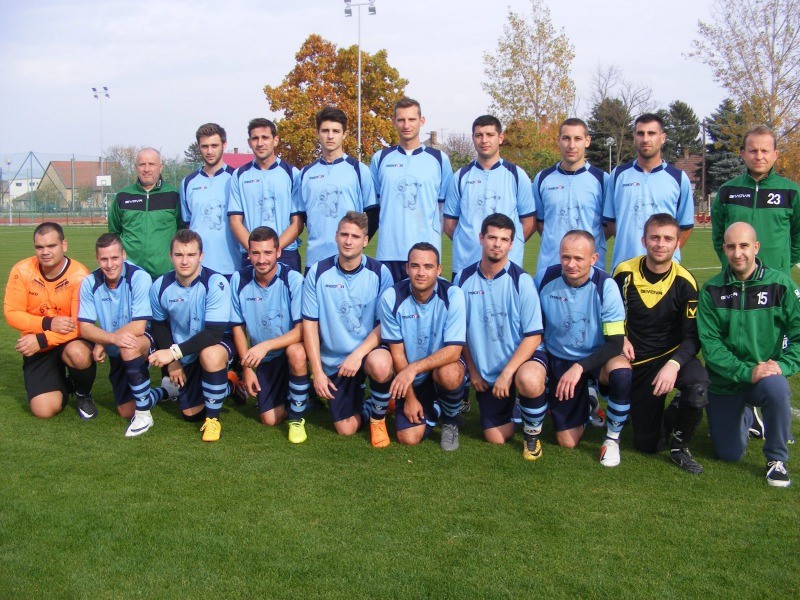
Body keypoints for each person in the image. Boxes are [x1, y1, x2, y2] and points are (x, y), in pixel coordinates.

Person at [698, 222, 799, 487]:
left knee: (777, 386)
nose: (737, 253)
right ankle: (745, 414)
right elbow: (711, 345)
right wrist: (745, 372)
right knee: (728, 454)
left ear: (756, 247)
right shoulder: (711, 290)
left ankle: (776, 459)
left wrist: (783, 365)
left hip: (764, 375)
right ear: (724, 249)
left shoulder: (780, 285)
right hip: (725, 382)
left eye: (744, 245)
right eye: (731, 246)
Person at [612, 214, 708, 473]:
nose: (660, 244)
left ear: (678, 243)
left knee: (697, 387)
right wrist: (620, 336)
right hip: (639, 362)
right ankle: (661, 412)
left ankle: (681, 444)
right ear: (644, 240)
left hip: (672, 357)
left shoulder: (685, 282)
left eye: (667, 239)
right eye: (655, 237)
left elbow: (692, 337)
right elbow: (610, 314)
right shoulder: (623, 272)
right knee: (646, 444)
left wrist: (673, 364)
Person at [537, 230, 631, 466]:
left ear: (593, 259)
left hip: (597, 359)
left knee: (621, 370)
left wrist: (580, 367)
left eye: (579, 258)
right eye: (565, 257)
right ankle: (587, 403)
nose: (571, 264)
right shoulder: (544, 279)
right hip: (559, 359)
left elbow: (616, 343)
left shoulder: (606, 286)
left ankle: (612, 439)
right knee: (567, 442)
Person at [457, 213, 547, 460]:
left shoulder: (522, 282)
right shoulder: (463, 279)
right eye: (492, 237)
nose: (497, 244)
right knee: (494, 437)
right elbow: (459, 333)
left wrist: (508, 374)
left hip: (519, 363)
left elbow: (533, 336)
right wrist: (473, 371)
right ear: (481, 238)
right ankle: (518, 408)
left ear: (511, 244)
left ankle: (531, 434)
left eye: (504, 239)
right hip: (486, 371)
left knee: (528, 379)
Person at [302, 211, 393, 447]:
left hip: (366, 353)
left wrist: (358, 354)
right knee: (346, 429)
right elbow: (310, 324)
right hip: (335, 361)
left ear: (365, 240)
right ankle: (375, 403)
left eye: (355, 236)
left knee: (381, 364)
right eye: (344, 234)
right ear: (336, 236)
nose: (348, 241)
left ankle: (378, 419)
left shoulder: (380, 272)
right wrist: (318, 372)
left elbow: (386, 324)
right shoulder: (318, 272)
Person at [77, 233, 179, 435]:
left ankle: (144, 417)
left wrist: (105, 340)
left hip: (144, 341)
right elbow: (85, 328)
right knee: (125, 411)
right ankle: (167, 390)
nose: (109, 264)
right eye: (104, 259)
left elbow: (139, 326)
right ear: (97, 259)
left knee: (128, 344)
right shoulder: (89, 283)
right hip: (116, 347)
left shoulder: (139, 277)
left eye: (114, 258)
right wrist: (108, 340)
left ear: (123, 255)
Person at [148, 230, 235, 442]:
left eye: (191, 255)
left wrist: (172, 353)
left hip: (215, 344)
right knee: (190, 414)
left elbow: (213, 334)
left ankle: (213, 420)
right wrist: (173, 362)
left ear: (201, 256)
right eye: (179, 255)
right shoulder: (160, 286)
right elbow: (159, 326)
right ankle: (228, 385)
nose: (184, 261)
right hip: (184, 352)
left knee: (210, 354)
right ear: (170, 256)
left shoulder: (216, 283)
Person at [379, 242, 467, 450]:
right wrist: (409, 398)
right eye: (415, 266)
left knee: (450, 373)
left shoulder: (453, 294)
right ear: (407, 268)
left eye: (428, 267)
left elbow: (454, 351)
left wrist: (414, 368)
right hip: (412, 380)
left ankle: (451, 422)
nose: (421, 272)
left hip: (439, 369)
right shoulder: (391, 297)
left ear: (438, 270)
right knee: (408, 438)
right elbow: (397, 354)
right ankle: (437, 409)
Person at [4, 222, 96, 419]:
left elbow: (79, 325)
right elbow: (11, 313)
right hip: (37, 343)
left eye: (51, 246)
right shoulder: (22, 270)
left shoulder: (80, 275)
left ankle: (83, 393)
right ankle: (66, 384)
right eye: (39, 247)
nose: (45, 252)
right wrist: (46, 324)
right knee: (43, 411)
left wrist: (42, 339)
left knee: (78, 353)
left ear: (64, 245)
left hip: (67, 340)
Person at [230, 227, 309, 443]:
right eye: (256, 253)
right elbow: (238, 327)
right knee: (270, 419)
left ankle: (296, 418)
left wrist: (265, 346)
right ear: (249, 254)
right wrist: (247, 369)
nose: (262, 259)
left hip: (290, 350)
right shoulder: (239, 279)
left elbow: (302, 331)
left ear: (278, 252)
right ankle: (298, 393)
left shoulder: (292, 279)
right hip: (267, 360)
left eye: (267, 253)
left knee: (296, 352)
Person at [369, 97, 453, 282]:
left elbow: (444, 208)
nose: (406, 125)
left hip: (425, 254)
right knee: (387, 307)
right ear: (394, 122)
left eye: (412, 119)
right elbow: (373, 207)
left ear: (421, 121)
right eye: (401, 119)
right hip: (388, 252)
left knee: (425, 308)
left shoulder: (439, 159)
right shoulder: (380, 158)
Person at [445, 115, 535, 281]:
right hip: (466, 265)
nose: (484, 140)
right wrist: (470, 241)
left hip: (507, 267)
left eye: (490, 135)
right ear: (473, 138)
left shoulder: (517, 175)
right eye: (479, 135)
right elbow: (450, 224)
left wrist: (505, 245)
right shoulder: (460, 177)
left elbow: (529, 222)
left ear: (500, 138)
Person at [603, 113, 694, 272]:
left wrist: (666, 251)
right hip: (625, 266)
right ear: (634, 137)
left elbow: (685, 226)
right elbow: (611, 222)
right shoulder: (618, 175)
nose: (645, 139)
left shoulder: (678, 178)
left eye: (651, 133)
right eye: (640, 133)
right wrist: (630, 242)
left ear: (663, 138)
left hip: (665, 271)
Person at [712, 125, 800, 275]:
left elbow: (798, 237)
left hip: (775, 281)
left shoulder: (791, 191)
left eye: (765, 151)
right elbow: (719, 237)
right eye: (753, 151)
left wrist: (781, 265)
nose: (759, 156)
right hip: (735, 280)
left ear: (775, 154)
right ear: (743, 154)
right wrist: (733, 262)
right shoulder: (727, 190)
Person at [296, 107, 376, 269]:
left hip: (350, 260)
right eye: (325, 130)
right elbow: (299, 218)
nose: (330, 136)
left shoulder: (360, 170)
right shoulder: (305, 173)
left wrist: (357, 244)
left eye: (336, 131)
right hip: (315, 259)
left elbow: (373, 213)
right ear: (318, 133)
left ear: (344, 134)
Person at [533, 118, 609, 278]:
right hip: (550, 267)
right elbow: (540, 223)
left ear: (587, 141)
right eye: (566, 138)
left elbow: (608, 225)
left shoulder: (603, 180)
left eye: (578, 139)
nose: (571, 145)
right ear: (558, 140)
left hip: (590, 271)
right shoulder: (542, 178)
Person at [229, 118, 304, 273]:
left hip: (285, 253)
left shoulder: (292, 174)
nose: (260, 143)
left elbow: (297, 222)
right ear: (249, 142)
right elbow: (235, 222)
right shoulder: (239, 175)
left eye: (265, 137)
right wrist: (256, 250)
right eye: (255, 138)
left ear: (275, 140)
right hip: (251, 255)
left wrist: (273, 250)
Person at [109, 147, 183, 279]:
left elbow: (182, 232)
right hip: (131, 276)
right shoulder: (123, 196)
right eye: (142, 164)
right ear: (136, 167)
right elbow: (114, 233)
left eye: (151, 164)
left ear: (160, 167)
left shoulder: (174, 195)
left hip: (165, 275)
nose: (146, 169)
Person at [180, 123, 240, 277]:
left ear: (224, 145)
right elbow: (187, 224)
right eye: (204, 146)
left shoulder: (237, 178)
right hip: (198, 269)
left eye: (214, 145)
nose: (210, 151)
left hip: (232, 266)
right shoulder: (188, 182)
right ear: (199, 147)